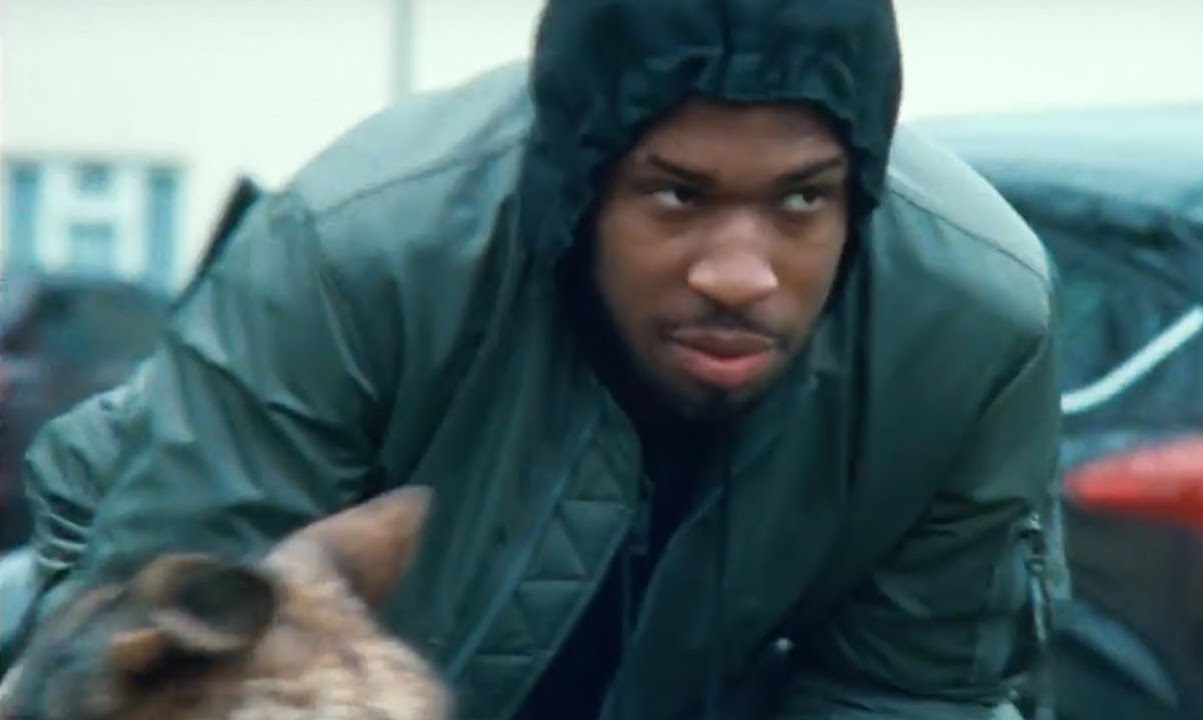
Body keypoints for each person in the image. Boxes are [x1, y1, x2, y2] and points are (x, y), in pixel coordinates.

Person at [2, 0, 1066, 718]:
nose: (740, 274)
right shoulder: (364, 251)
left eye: (801, 199)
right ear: (577, 185)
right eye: (677, 194)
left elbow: (915, 694)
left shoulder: (967, 325)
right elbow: (157, 654)